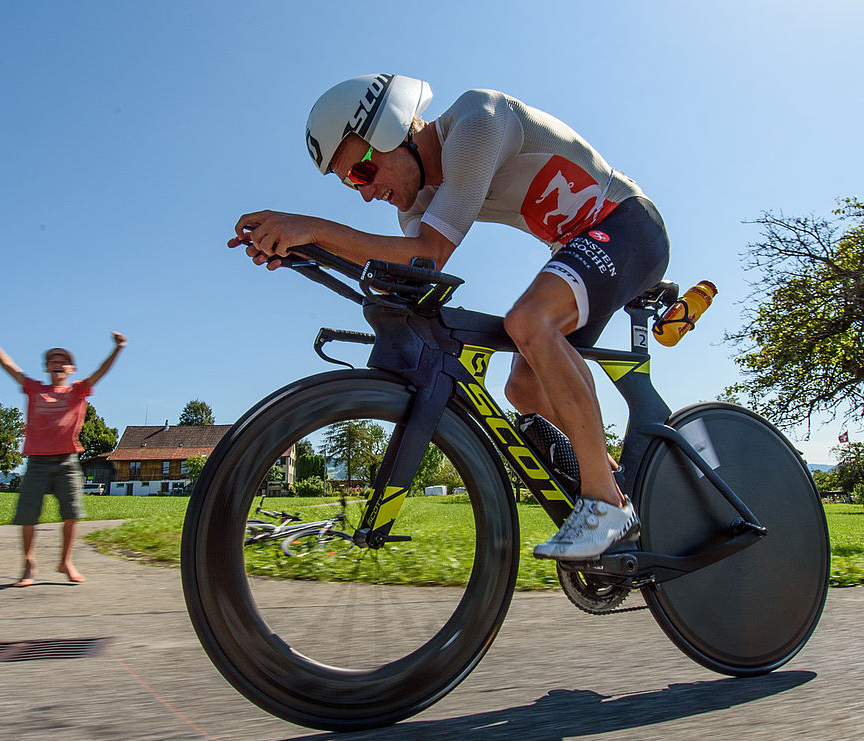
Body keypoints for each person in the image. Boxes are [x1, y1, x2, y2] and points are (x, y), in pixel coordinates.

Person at [230, 74, 670, 561]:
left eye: (361, 174)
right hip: (578, 249)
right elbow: (408, 270)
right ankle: (616, 486)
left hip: (627, 226)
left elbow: (429, 253)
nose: (365, 195)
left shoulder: (476, 120)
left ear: (392, 132)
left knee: (528, 322)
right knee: (523, 389)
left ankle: (605, 505)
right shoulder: (418, 200)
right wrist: (303, 248)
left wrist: (313, 226)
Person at [0, 321, 127, 586]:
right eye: (52, 361)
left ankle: (66, 562)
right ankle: (28, 564)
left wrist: (117, 348)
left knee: (72, 513)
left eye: (63, 362)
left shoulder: (78, 391)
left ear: (71, 369)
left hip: (67, 461)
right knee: (28, 515)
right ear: (47, 368)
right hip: (37, 461)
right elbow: (8, 366)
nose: (57, 364)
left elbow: (101, 371)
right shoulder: (35, 388)